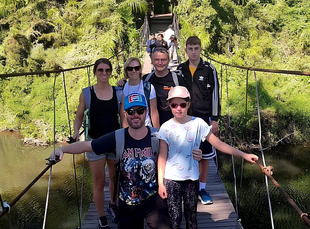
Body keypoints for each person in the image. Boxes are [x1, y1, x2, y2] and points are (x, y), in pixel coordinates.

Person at [50, 93, 202, 229]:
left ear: (146, 113)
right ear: (125, 114)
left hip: (153, 201)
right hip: (127, 204)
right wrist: (62, 150)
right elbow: (88, 145)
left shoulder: (157, 135)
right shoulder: (117, 137)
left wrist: (198, 154)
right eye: (131, 111)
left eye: (140, 111)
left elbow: (180, 149)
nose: (136, 115)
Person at [157, 86, 258, 229]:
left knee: (192, 217)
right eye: (174, 105)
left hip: (191, 178)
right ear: (170, 105)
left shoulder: (198, 124)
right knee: (175, 218)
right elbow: (162, 157)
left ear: (188, 104)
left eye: (183, 104)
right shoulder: (165, 127)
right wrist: (161, 183)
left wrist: (243, 154)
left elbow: (219, 144)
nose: (178, 108)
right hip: (171, 179)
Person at [72, 58, 123, 229]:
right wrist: (75, 134)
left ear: (111, 72)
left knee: (115, 178)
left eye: (107, 70)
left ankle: (113, 205)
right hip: (94, 143)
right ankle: (101, 217)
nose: (104, 73)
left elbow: (123, 119)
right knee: (99, 182)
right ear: (94, 72)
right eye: (100, 70)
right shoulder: (87, 93)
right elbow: (79, 116)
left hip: (115, 141)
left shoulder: (118, 93)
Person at [177, 35, 220, 205]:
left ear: (200, 49)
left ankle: (202, 188)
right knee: (185, 151)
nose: (193, 52)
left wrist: (215, 119)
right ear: (185, 50)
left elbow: (215, 94)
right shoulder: (180, 69)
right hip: (185, 117)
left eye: (196, 48)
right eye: (190, 48)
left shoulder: (210, 69)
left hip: (204, 117)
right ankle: (187, 187)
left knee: (205, 155)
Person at [143, 47, 186, 125]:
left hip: (173, 123)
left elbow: (186, 102)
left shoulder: (177, 79)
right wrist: (121, 83)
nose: (160, 62)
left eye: (163, 60)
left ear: (169, 60)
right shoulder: (146, 79)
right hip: (151, 124)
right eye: (156, 60)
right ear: (152, 61)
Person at [120, 57, 160, 129]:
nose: (133, 71)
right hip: (130, 130)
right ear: (126, 71)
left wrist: (157, 133)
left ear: (140, 69)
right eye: (130, 68)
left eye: (136, 68)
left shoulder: (148, 87)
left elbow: (154, 113)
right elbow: (123, 114)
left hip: (147, 128)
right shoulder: (124, 87)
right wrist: (125, 133)